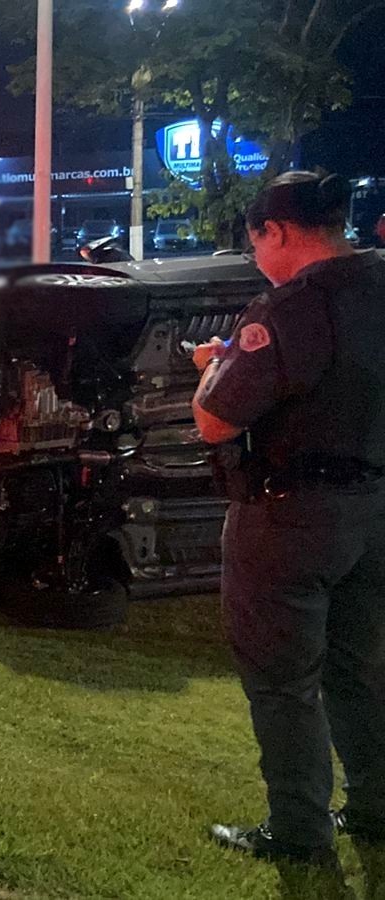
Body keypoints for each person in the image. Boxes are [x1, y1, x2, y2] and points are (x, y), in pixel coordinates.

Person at [194, 172, 385, 899]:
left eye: (256, 243)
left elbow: (216, 420)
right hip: (375, 506)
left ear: (276, 231)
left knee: (283, 681)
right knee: (362, 669)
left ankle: (298, 830)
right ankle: (374, 807)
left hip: (291, 513)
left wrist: (211, 370)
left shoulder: (295, 307)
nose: (257, 259)